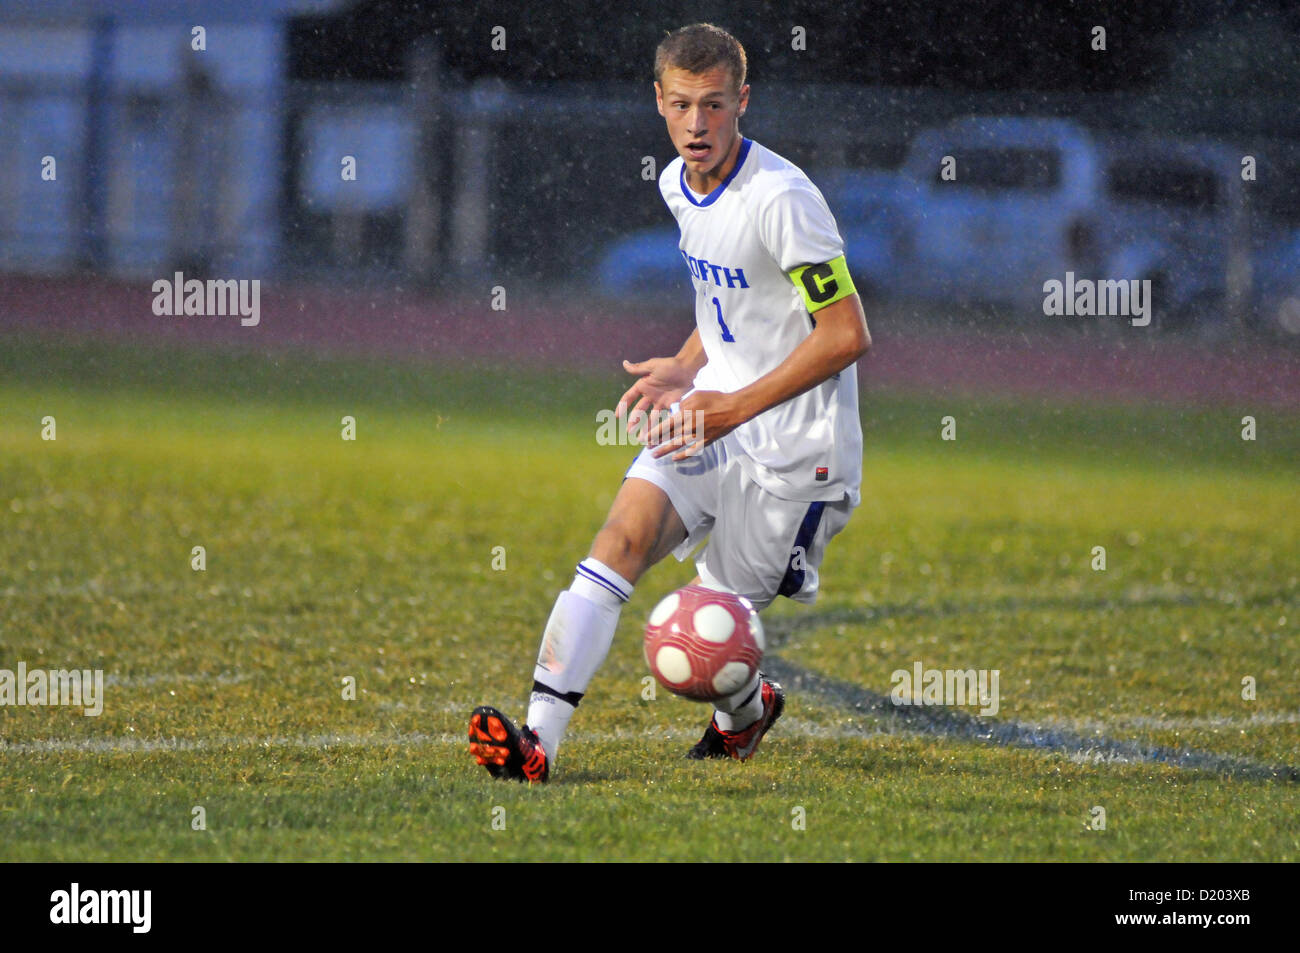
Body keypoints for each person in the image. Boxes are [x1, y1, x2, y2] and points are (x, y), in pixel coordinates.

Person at [469, 22, 871, 782]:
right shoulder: (674, 183)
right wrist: (688, 367)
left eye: (714, 105)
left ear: (742, 101)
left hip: (797, 459)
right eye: (682, 104)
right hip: (713, 413)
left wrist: (734, 405)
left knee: (699, 638)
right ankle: (537, 745)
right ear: (658, 100)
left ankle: (746, 715)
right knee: (616, 542)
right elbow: (730, 290)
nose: (697, 124)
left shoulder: (783, 199)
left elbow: (846, 334)